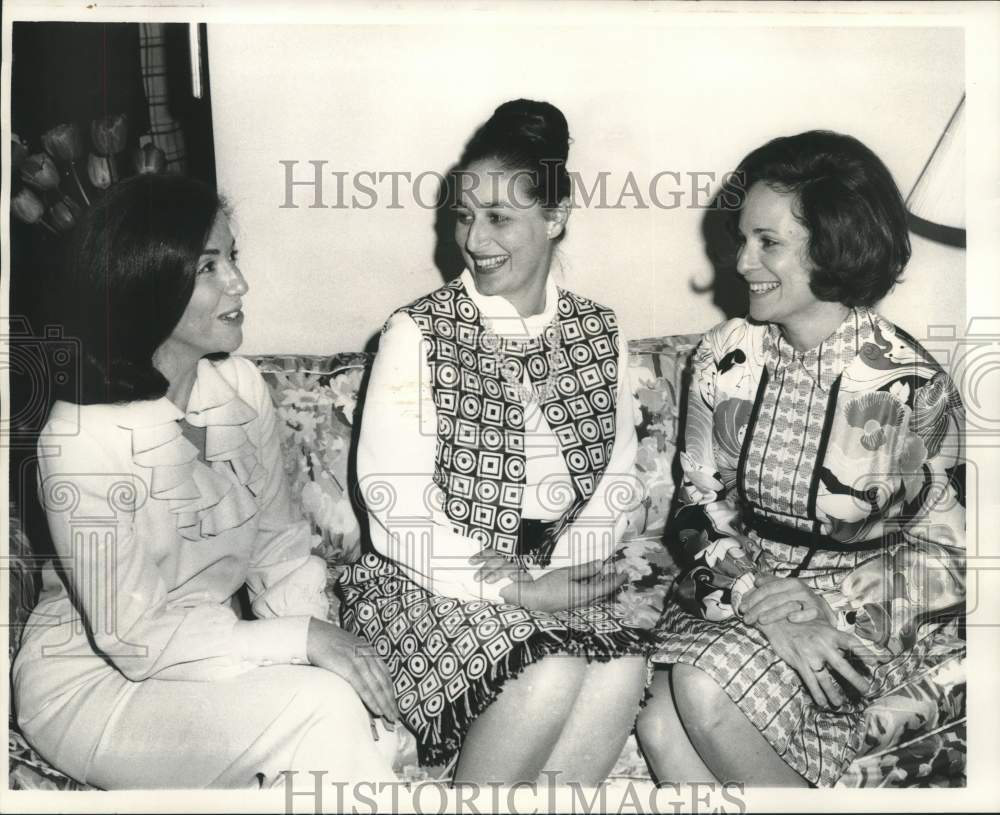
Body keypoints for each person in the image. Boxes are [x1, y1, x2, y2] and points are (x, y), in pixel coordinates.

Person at [12, 174, 398, 789]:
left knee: (347, 714)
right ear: (146, 285)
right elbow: (134, 638)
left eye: (233, 259)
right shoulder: (81, 441)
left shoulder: (241, 390)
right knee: (322, 711)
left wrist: (331, 658)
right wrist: (303, 642)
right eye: (207, 267)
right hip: (95, 684)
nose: (239, 283)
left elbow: (280, 554)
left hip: (206, 659)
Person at [636, 130, 965, 787]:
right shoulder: (726, 356)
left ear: (834, 245)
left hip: (859, 613)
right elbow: (696, 506)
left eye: (768, 242)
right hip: (737, 589)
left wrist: (827, 603)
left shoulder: (909, 385)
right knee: (657, 725)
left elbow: (950, 554)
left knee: (690, 702)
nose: (741, 261)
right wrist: (757, 595)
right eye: (743, 238)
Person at [338, 99, 650, 784]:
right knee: (548, 670)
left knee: (624, 664)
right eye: (464, 215)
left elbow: (616, 481)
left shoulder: (601, 330)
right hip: (429, 584)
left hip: (556, 577)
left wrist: (563, 576)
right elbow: (395, 508)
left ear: (556, 217)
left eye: (500, 217)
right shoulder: (416, 332)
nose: (474, 239)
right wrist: (518, 592)